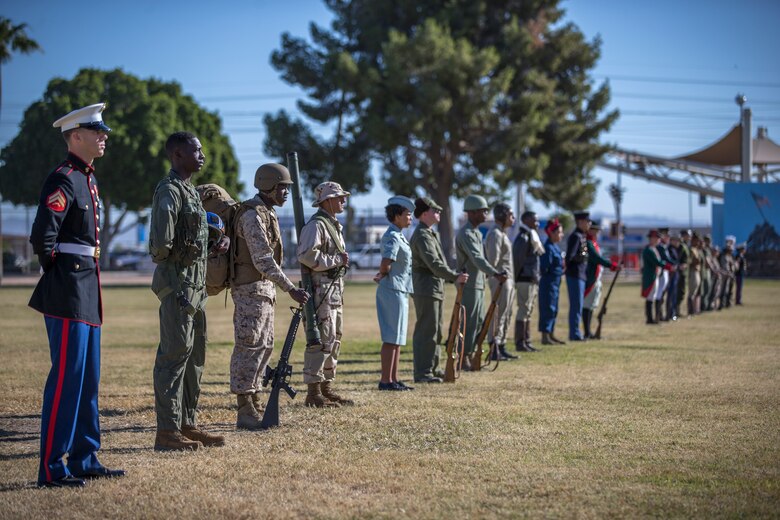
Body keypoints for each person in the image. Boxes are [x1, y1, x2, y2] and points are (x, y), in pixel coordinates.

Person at [29, 103, 125, 487]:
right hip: (68, 290)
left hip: (87, 289)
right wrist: (63, 274)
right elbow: (43, 239)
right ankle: (52, 467)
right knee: (67, 380)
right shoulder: (64, 178)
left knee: (88, 381)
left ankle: (85, 456)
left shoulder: (88, 179)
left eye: (103, 130)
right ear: (75, 136)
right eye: (95, 130)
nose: (103, 136)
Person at [150, 132, 229, 451]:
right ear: (178, 154)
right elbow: (160, 246)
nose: (203, 154)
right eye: (196, 150)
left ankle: (187, 423)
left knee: (194, 358)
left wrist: (212, 244)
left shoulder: (191, 193)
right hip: (178, 288)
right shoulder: (169, 190)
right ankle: (166, 432)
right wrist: (180, 259)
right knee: (173, 357)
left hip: (196, 290)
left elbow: (190, 241)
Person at [229, 164, 309, 429]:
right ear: (269, 185)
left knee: (264, 347)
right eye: (283, 187)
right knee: (249, 347)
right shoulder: (252, 216)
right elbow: (263, 259)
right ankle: (244, 407)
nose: (286, 192)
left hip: (263, 291)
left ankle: (253, 399)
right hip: (251, 290)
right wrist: (290, 288)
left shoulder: (267, 213)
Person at [297, 181, 353, 407]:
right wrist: (336, 260)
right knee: (319, 340)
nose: (343, 201)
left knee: (333, 339)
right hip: (321, 291)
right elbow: (306, 255)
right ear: (326, 200)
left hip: (333, 290)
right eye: (339, 197)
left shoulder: (332, 224)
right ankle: (313, 392)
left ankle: (325, 387)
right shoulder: (317, 225)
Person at [409, 198, 468, 383]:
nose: (439, 213)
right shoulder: (422, 235)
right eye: (435, 210)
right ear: (425, 213)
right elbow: (434, 264)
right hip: (426, 287)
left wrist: (450, 276)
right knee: (427, 330)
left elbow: (438, 263)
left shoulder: (429, 233)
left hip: (434, 287)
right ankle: (423, 372)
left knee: (435, 330)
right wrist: (453, 276)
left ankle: (433, 368)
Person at [456, 195, 508, 370]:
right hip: (468, 285)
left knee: (478, 323)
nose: (486, 214)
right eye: (483, 211)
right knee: (467, 323)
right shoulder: (466, 233)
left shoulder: (477, 233)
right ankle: (462, 358)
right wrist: (494, 272)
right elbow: (477, 258)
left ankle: (470, 355)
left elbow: (482, 259)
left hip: (478, 283)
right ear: (472, 213)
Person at [374, 196, 416, 390]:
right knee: (391, 337)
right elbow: (386, 263)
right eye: (408, 215)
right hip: (392, 289)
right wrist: (382, 273)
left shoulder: (398, 235)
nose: (411, 218)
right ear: (397, 216)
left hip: (400, 289)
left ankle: (393, 378)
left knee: (398, 337)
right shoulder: (392, 236)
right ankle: (385, 380)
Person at [485, 203, 517, 360]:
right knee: (498, 313)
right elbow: (492, 260)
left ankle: (501, 345)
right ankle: (493, 346)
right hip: (500, 280)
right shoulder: (495, 234)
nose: (513, 218)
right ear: (502, 216)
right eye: (511, 215)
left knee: (506, 313)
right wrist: (497, 275)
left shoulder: (502, 234)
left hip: (507, 280)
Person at [512, 210, 544, 352]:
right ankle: (520, 342)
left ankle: (527, 340)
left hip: (531, 278)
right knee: (523, 309)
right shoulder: (523, 238)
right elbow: (518, 260)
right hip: (524, 278)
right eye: (534, 220)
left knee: (528, 310)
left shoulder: (532, 236)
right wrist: (517, 277)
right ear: (525, 221)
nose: (537, 223)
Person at [583, 223, 618, 338]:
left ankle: (589, 331)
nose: (597, 233)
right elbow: (596, 258)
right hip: (590, 278)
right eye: (595, 231)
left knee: (592, 305)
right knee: (587, 305)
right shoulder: (587, 243)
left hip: (596, 278)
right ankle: (587, 331)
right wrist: (611, 265)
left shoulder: (594, 243)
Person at [538, 218, 566, 345]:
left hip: (555, 283)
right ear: (552, 233)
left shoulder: (555, 247)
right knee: (548, 308)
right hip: (548, 283)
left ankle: (551, 334)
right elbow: (545, 267)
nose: (562, 235)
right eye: (559, 232)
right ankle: (545, 336)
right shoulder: (548, 248)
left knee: (554, 309)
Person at [564, 211, 591, 341]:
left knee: (579, 305)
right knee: (576, 305)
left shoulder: (582, 236)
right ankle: (574, 333)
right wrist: (581, 257)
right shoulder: (575, 236)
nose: (589, 224)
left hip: (580, 274)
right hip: (575, 274)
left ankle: (576, 332)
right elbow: (570, 257)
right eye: (587, 221)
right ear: (580, 222)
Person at [641, 230, 672, 324]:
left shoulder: (653, 249)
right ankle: (649, 319)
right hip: (651, 276)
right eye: (657, 238)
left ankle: (654, 318)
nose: (658, 240)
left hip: (655, 275)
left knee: (653, 296)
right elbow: (657, 262)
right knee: (650, 298)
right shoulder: (648, 250)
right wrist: (669, 267)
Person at [654, 228, 672, 321]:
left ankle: (660, 314)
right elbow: (666, 259)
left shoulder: (664, 246)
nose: (668, 237)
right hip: (662, 271)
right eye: (666, 235)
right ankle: (658, 315)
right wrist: (675, 264)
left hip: (665, 271)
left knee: (662, 294)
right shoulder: (661, 247)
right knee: (659, 294)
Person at [665, 233, 681, 321]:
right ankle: (670, 314)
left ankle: (673, 313)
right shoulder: (669, 250)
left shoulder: (675, 249)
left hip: (675, 274)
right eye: (676, 240)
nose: (678, 242)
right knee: (671, 294)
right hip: (671, 274)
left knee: (674, 294)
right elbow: (670, 262)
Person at [687, 232, 703, 316]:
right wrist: (694, 262)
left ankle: (695, 309)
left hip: (697, 271)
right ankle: (691, 310)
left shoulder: (697, 250)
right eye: (696, 240)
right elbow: (688, 262)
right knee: (692, 292)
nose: (697, 242)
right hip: (692, 272)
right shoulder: (691, 249)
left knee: (696, 292)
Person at [676, 230, 691, 318]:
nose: (689, 238)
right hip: (680, 272)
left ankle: (677, 311)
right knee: (679, 292)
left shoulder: (685, 246)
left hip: (685, 272)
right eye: (688, 236)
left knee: (682, 292)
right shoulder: (681, 246)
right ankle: (675, 312)